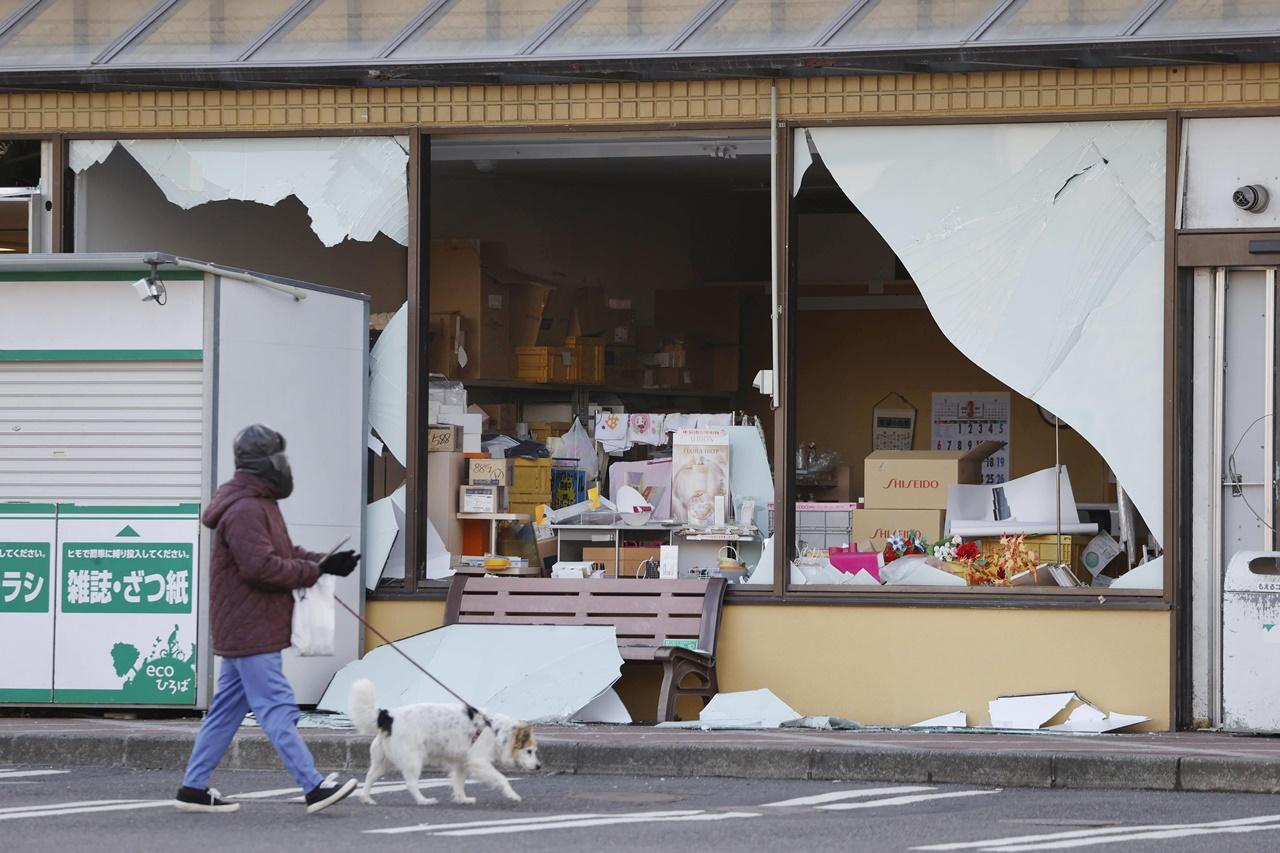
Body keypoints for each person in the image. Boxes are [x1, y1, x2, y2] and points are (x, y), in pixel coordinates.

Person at [174, 424, 361, 815]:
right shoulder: (244, 509)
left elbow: (284, 551)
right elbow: (259, 568)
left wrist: (324, 563)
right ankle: (313, 786)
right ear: (265, 463)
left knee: (227, 708)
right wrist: (313, 572)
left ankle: (193, 786)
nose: (286, 465)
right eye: (281, 457)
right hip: (250, 627)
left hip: (247, 624)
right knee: (277, 705)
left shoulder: (260, 503)